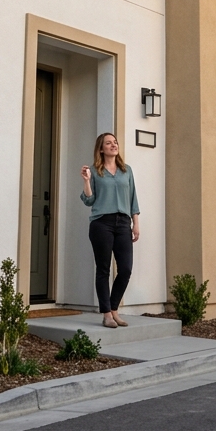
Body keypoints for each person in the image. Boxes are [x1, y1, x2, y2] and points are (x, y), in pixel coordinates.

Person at [80, 132, 140, 328]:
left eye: (115, 142)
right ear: (101, 148)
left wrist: (135, 223)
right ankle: (106, 313)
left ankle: (114, 308)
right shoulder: (94, 171)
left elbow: (133, 198)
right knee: (103, 269)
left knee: (125, 269)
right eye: (109, 143)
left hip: (123, 223)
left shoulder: (126, 170)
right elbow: (89, 200)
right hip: (101, 223)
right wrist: (87, 181)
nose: (114, 145)